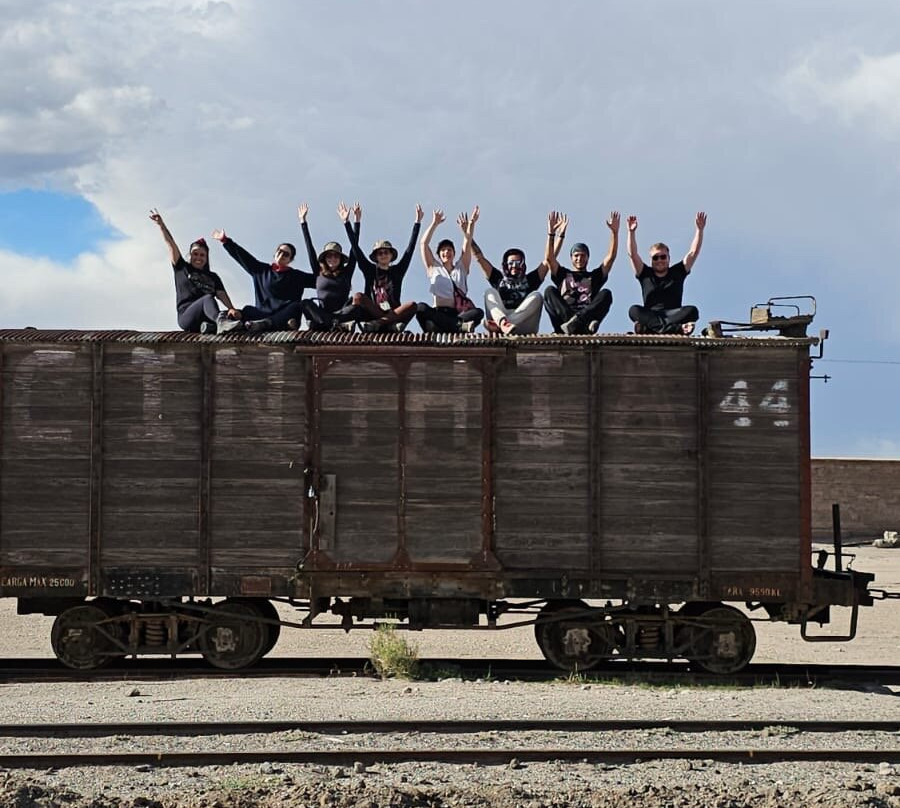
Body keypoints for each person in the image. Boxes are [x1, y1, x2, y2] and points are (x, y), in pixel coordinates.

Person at [149, 209, 242, 334]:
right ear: (190, 255)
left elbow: (222, 295)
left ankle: (209, 327)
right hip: (187, 316)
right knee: (207, 298)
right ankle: (219, 323)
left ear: (206, 258)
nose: (198, 257)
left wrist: (232, 309)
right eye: (195, 254)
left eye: (202, 255)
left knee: (237, 313)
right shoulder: (182, 267)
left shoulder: (213, 277)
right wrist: (161, 225)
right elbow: (171, 244)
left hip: (207, 315)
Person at [338, 201, 423, 333]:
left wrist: (417, 222)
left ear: (391, 255)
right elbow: (355, 248)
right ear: (376, 256)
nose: (383, 255)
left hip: (393, 314)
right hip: (374, 313)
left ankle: (382, 323)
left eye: (386, 252)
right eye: (380, 253)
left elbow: (410, 249)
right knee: (358, 297)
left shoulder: (397, 271)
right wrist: (350, 222)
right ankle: (385, 324)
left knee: (412, 305)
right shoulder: (370, 270)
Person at [211, 228, 313, 333]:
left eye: (286, 254)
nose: (282, 255)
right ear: (275, 253)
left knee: (296, 306)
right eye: (280, 251)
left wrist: (304, 226)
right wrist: (225, 240)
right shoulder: (262, 271)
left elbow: (318, 279)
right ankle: (223, 325)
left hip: (282, 318)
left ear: (290, 260)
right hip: (260, 316)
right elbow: (243, 257)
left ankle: (267, 323)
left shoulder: (297, 276)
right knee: (246, 310)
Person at [470, 215, 560, 334]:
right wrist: (468, 235)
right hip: (501, 316)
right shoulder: (498, 278)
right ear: (505, 265)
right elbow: (479, 258)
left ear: (523, 265)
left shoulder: (530, 279)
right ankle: (503, 323)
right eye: (511, 263)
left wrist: (552, 234)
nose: (514, 266)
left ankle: (503, 325)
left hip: (523, 324)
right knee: (489, 292)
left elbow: (550, 259)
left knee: (537, 296)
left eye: (518, 263)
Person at [626, 212, 706, 335]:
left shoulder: (677, 272)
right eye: (655, 258)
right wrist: (631, 232)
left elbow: (693, 253)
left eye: (663, 257)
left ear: (669, 258)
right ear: (651, 260)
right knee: (634, 310)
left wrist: (699, 230)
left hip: (673, 315)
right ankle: (676, 329)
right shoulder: (645, 273)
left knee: (692, 311)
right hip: (651, 315)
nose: (659, 260)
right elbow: (633, 254)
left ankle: (650, 329)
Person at [543, 210, 619, 335]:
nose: (579, 258)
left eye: (583, 255)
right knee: (549, 290)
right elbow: (549, 259)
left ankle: (578, 322)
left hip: (584, 320)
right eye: (576, 255)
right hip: (564, 323)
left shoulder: (594, 277)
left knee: (606, 293)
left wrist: (614, 233)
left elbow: (610, 258)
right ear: (571, 258)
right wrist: (552, 233)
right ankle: (572, 324)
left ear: (588, 258)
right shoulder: (563, 274)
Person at [416, 207, 484, 333]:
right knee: (420, 308)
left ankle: (448, 326)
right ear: (439, 254)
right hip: (438, 312)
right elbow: (423, 244)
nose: (446, 252)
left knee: (478, 312)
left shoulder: (461, 268)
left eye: (449, 249)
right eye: (443, 250)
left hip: (458, 314)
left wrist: (471, 224)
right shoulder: (434, 268)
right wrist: (434, 223)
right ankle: (457, 327)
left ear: (453, 253)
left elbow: (467, 243)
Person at [297, 202, 361, 331]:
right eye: (329, 256)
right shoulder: (318, 271)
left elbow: (354, 249)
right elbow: (310, 248)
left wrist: (354, 222)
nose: (332, 259)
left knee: (357, 308)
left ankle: (332, 323)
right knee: (305, 303)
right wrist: (303, 221)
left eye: (336, 256)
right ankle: (331, 324)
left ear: (341, 259)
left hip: (341, 314)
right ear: (325, 259)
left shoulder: (346, 272)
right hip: (322, 314)